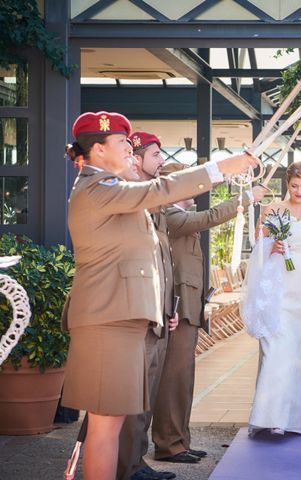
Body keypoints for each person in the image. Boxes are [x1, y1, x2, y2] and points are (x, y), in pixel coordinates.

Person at [61, 111, 257, 480]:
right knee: (104, 430)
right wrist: (220, 168)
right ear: (99, 150)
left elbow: (148, 257)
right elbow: (160, 190)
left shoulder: (113, 190)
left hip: (121, 319)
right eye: (122, 143)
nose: (130, 151)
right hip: (108, 322)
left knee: (112, 425)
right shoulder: (98, 188)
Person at [152, 163, 265, 462]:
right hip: (177, 308)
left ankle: (179, 441)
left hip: (188, 307)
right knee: (173, 380)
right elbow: (209, 218)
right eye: (189, 183)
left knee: (184, 378)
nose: (196, 190)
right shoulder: (169, 213)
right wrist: (246, 198)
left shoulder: (175, 214)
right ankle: (169, 444)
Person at [241, 161, 301, 435]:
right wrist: (273, 246)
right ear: (287, 183)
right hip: (280, 285)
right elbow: (258, 249)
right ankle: (274, 417)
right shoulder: (272, 210)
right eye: (294, 186)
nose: (299, 191)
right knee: (278, 347)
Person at [117, 131, 179, 480]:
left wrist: (168, 308)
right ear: (136, 158)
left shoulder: (152, 206)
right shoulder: (130, 200)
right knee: (132, 400)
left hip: (157, 317)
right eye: (156, 154)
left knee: (147, 399)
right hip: (137, 318)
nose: (161, 160)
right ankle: (125, 466)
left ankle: (136, 462)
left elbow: (160, 267)